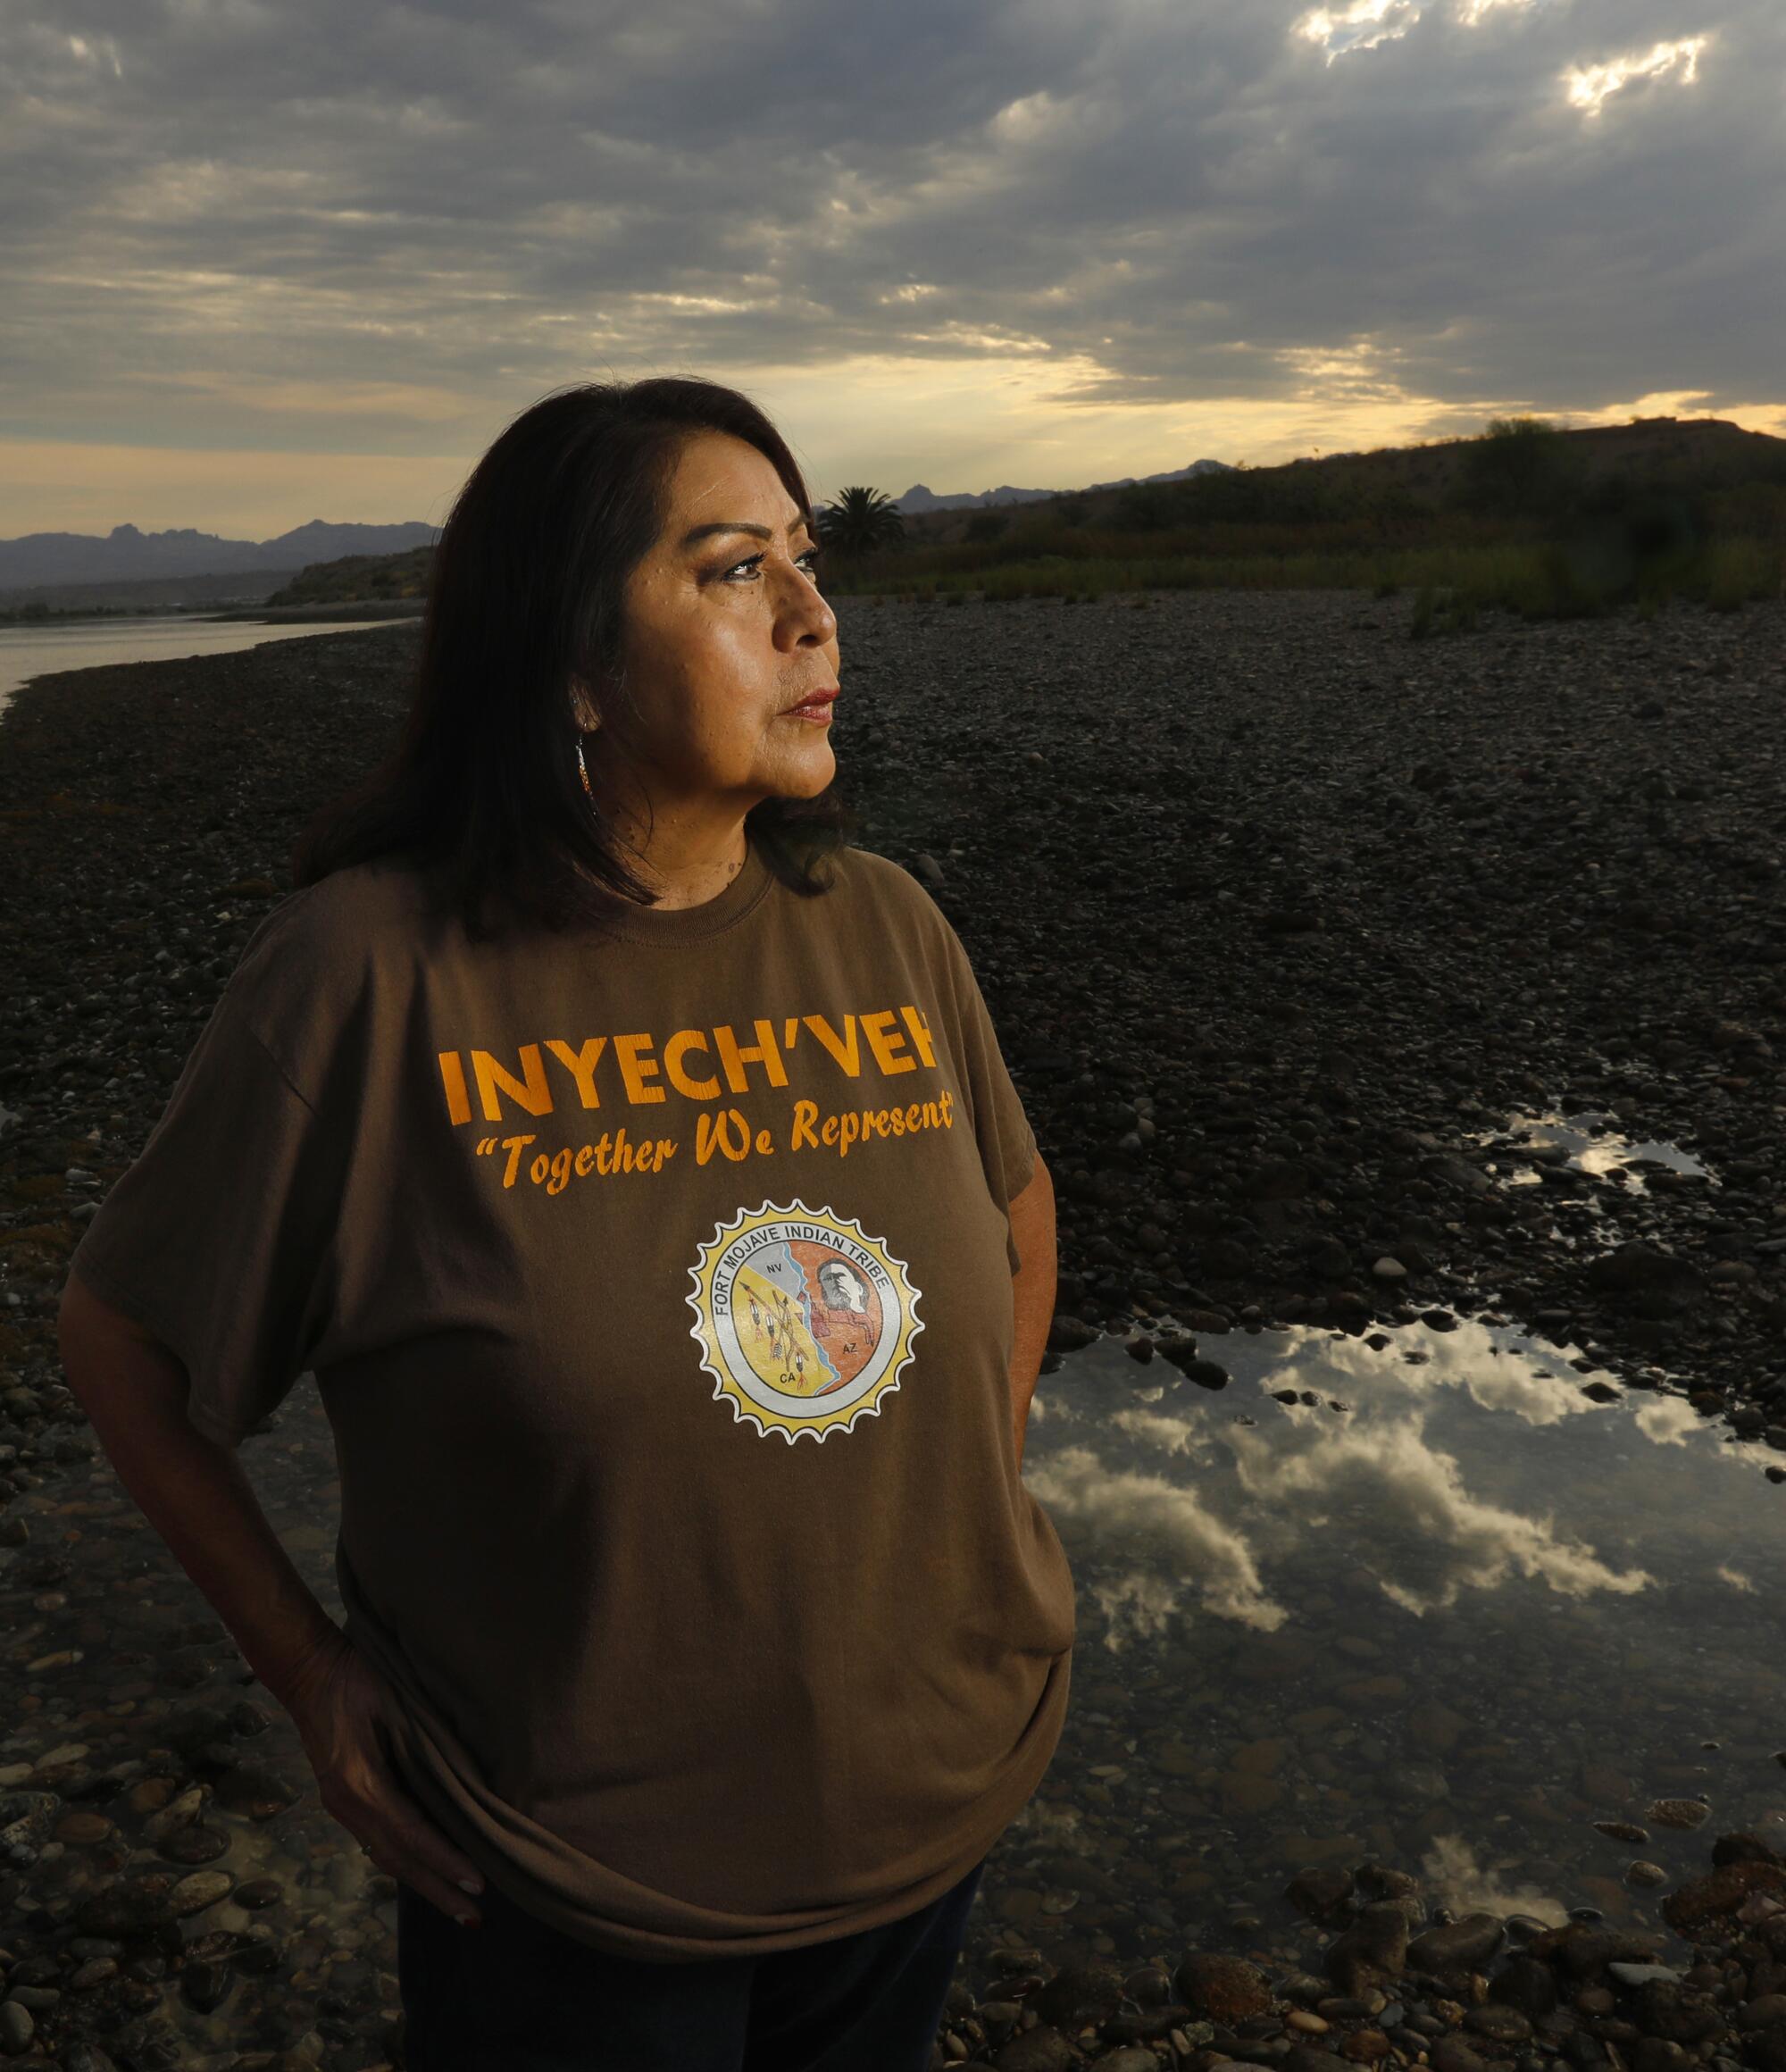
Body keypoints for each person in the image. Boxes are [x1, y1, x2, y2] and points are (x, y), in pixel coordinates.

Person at [55, 376, 1077, 2071]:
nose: (818, 618)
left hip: (933, 1803)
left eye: (809, 564)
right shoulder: (367, 980)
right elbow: (124, 1342)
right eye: (738, 572)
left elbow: (1018, 1205)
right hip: (573, 1875)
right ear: (574, 663)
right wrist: (310, 1677)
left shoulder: (886, 929)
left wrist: (962, 1493)